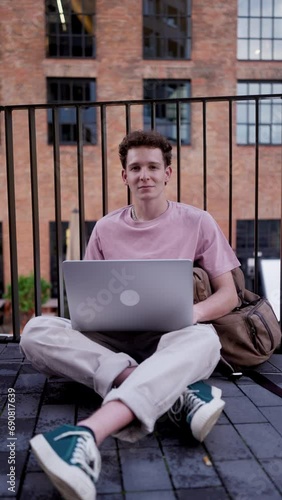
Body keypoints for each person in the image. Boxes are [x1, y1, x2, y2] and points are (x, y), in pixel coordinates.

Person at [20, 129, 240, 500]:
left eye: (153, 167)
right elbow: (87, 300)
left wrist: (192, 312)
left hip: (171, 338)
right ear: (124, 175)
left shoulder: (198, 221)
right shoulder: (106, 228)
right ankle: (172, 390)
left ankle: (87, 432)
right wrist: (91, 316)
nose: (145, 175)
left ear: (168, 173)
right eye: (135, 167)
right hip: (110, 339)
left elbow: (229, 295)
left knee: (205, 338)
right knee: (36, 330)